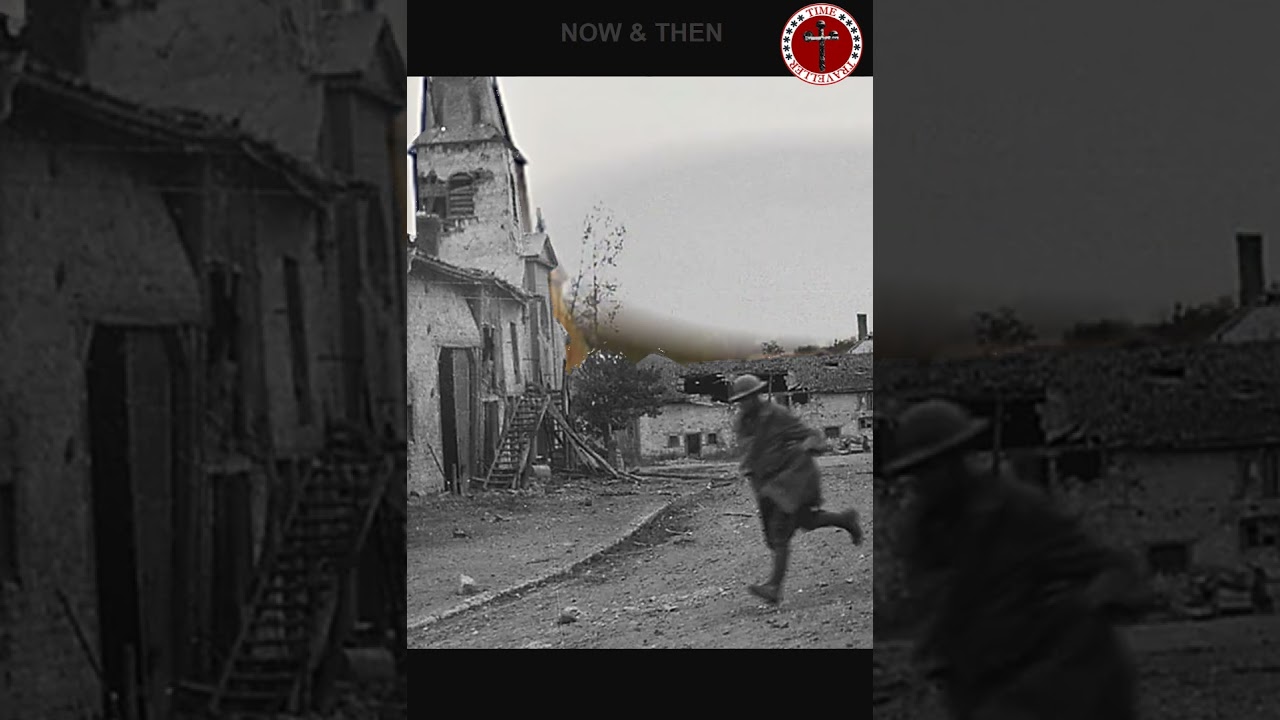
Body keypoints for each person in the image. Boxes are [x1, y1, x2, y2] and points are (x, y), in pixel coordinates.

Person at [884, 399, 1147, 720]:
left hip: (1039, 673)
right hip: (975, 681)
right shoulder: (921, 534)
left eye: (934, 465)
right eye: (918, 470)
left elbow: (1108, 567)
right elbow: (933, 613)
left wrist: (1093, 600)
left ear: (957, 461)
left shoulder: (1016, 509)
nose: (925, 480)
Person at [729, 373, 863, 605]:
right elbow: (749, 457)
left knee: (780, 532)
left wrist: (810, 446)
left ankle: (774, 586)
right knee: (806, 520)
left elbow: (810, 434)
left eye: (749, 397)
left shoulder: (776, 414)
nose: (745, 403)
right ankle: (845, 520)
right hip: (768, 483)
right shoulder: (742, 423)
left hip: (793, 477)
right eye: (741, 399)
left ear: (757, 395)